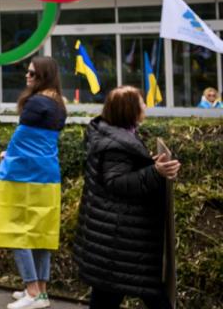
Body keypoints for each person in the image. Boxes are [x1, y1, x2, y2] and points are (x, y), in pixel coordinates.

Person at [75, 86, 180, 309]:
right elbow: (116, 182)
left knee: (108, 293)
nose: (145, 106)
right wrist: (155, 172)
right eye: (141, 103)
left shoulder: (112, 134)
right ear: (129, 110)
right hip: (121, 236)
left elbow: (119, 173)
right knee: (149, 293)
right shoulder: (117, 143)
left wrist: (148, 164)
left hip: (114, 236)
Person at [0, 57, 66, 309]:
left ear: (43, 76)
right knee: (41, 235)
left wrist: (9, 156)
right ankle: (42, 292)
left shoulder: (36, 103)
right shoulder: (59, 103)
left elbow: (21, 138)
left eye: (32, 74)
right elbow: (38, 141)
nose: (27, 77)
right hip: (47, 175)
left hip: (23, 175)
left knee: (18, 232)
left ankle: (32, 290)